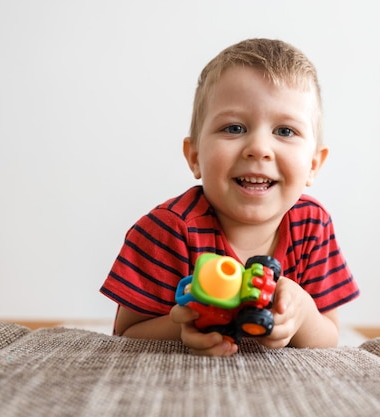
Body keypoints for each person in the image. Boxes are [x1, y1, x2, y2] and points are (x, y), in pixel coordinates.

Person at [100, 38, 359, 356]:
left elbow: (330, 336)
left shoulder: (312, 225)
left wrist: (302, 314)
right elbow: (124, 336)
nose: (260, 148)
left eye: (285, 131)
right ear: (195, 156)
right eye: (234, 128)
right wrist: (183, 326)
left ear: (313, 165)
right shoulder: (166, 230)